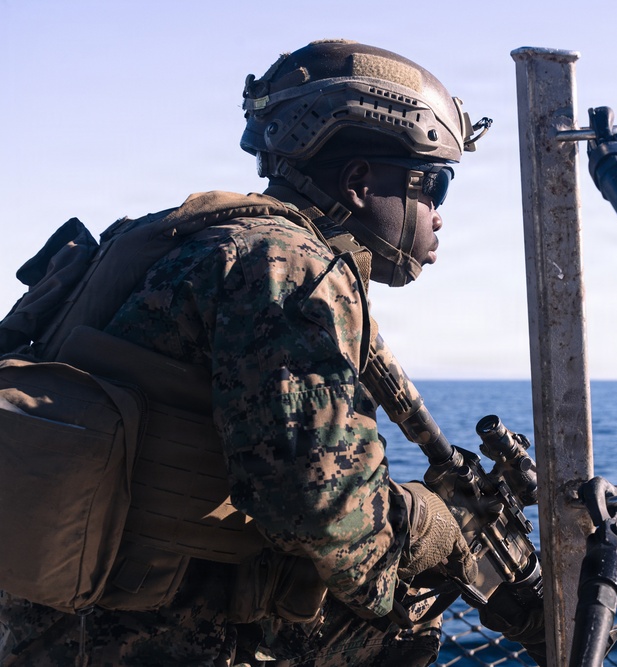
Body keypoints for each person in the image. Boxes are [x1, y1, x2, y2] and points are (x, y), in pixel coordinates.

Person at [0, 39, 494, 666]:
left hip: (57, 627)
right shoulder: (290, 266)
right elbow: (322, 507)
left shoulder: (184, 236)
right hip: (158, 639)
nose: (438, 216)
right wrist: (431, 527)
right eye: (435, 186)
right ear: (359, 182)